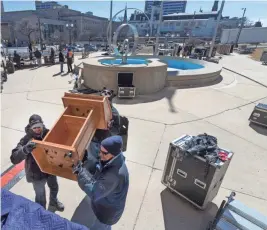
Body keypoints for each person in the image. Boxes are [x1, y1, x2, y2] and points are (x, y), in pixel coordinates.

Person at [73, 136, 129, 230]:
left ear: (114, 154)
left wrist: (80, 173)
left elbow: (94, 192)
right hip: (108, 206)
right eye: (100, 151)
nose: (100, 154)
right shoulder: (114, 161)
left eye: (104, 153)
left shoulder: (114, 175)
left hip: (107, 214)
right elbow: (99, 174)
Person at [10, 114, 64, 211]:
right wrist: (25, 149)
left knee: (54, 187)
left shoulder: (49, 133)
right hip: (36, 174)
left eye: (39, 127)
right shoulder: (26, 139)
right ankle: (41, 213)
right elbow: (14, 158)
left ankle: (53, 202)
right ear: (30, 128)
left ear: (42, 125)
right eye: (34, 128)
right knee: (40, 197)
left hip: (50, 169)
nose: (37, 130)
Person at [87, 88, 120, 159]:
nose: (105, 93)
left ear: (110, 99)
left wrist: (110, 127)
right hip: (92, 140)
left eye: (108, 93)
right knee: (92, 158)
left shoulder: (114, 113)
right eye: (104, 92)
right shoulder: (94, 108)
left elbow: (117, 130)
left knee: (102, 159)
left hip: (103, 142)